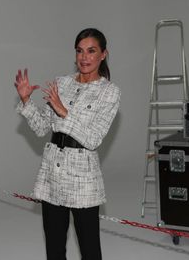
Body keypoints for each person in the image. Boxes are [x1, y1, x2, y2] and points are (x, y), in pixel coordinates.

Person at [14, 28, 120, 260]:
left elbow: (93, 138)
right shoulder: (61, 83)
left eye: (91, 51)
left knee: (90, 250)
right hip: (53, 174)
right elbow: (42, 128)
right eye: (79, 51)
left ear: (103, 54)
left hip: (84, 178)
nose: (84, 57)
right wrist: (26, 101)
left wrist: (64, 112)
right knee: (54, 248)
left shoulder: (109, 92)